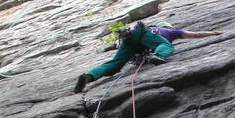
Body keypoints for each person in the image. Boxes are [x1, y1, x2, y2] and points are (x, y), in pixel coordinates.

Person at [74, 21, 222, 93]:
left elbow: (125, 49)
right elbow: (194, 35)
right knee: (167, 46)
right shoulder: (170, 32)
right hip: (143, 36)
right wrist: (214, 33)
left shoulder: (150, 28)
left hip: (129, 40)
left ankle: (89, 76)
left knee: (115, 64)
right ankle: (158, 56)